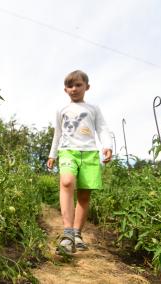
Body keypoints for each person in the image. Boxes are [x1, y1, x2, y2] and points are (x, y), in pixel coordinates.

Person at [47, 70, 112, 256]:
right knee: (66, 182)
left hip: (90, 153)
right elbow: (57, 134)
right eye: (70, 86)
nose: (74, 89)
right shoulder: (62, 110)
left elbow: (102, 128)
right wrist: (53, 155)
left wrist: (107, 146)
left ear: (87, 87)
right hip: (68, 151)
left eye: (78, 85)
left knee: (84, 196)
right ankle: (67, 234)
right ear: (65, 89)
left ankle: (77, 234)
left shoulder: (93, 109)